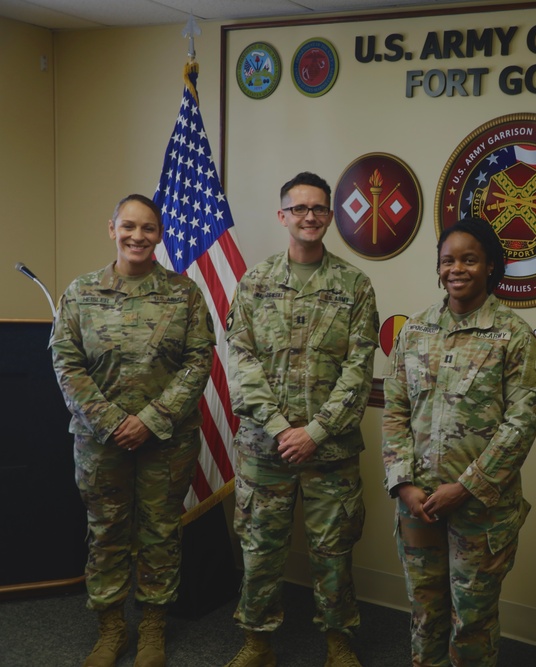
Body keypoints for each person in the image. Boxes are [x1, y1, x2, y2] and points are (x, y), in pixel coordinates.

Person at [50, 194, 215, 667]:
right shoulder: (81, 292)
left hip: (168, 440)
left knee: (160, 533)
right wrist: (111, 421)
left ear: (159, 234)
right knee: (106, 532)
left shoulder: (184, 294)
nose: (137, 236)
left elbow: (198, 361)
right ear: (112, 228)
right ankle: (111, 629)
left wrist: (149, 421)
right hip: (100, 442)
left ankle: (153, 629)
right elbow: (67, 364)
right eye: (128, 226)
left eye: (147, 228)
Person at [224, 172, 378, 667]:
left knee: (333, 555)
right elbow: (241, 359)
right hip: (263, 450)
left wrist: (312, 432)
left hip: (329, 451)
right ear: (283, 216)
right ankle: (257, 642)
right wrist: (279, 428)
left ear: (330, 217)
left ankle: (338, 643)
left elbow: (358, 371)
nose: (309, 216)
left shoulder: (355, 285)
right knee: (260, 550)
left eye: (319, 209)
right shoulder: (255, 281)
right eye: (299, 208)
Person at [382, 217, 536, 666]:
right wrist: (403, 484)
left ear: (491, 266)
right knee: (424, 611)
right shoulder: (415, 330)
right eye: (448, 260)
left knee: (472, 618)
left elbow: (521, 424)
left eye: (469, 259)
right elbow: (395, 409)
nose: (457, 269)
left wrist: (466, 486)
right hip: (417, 504)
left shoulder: (515, 336)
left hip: (480, 509)